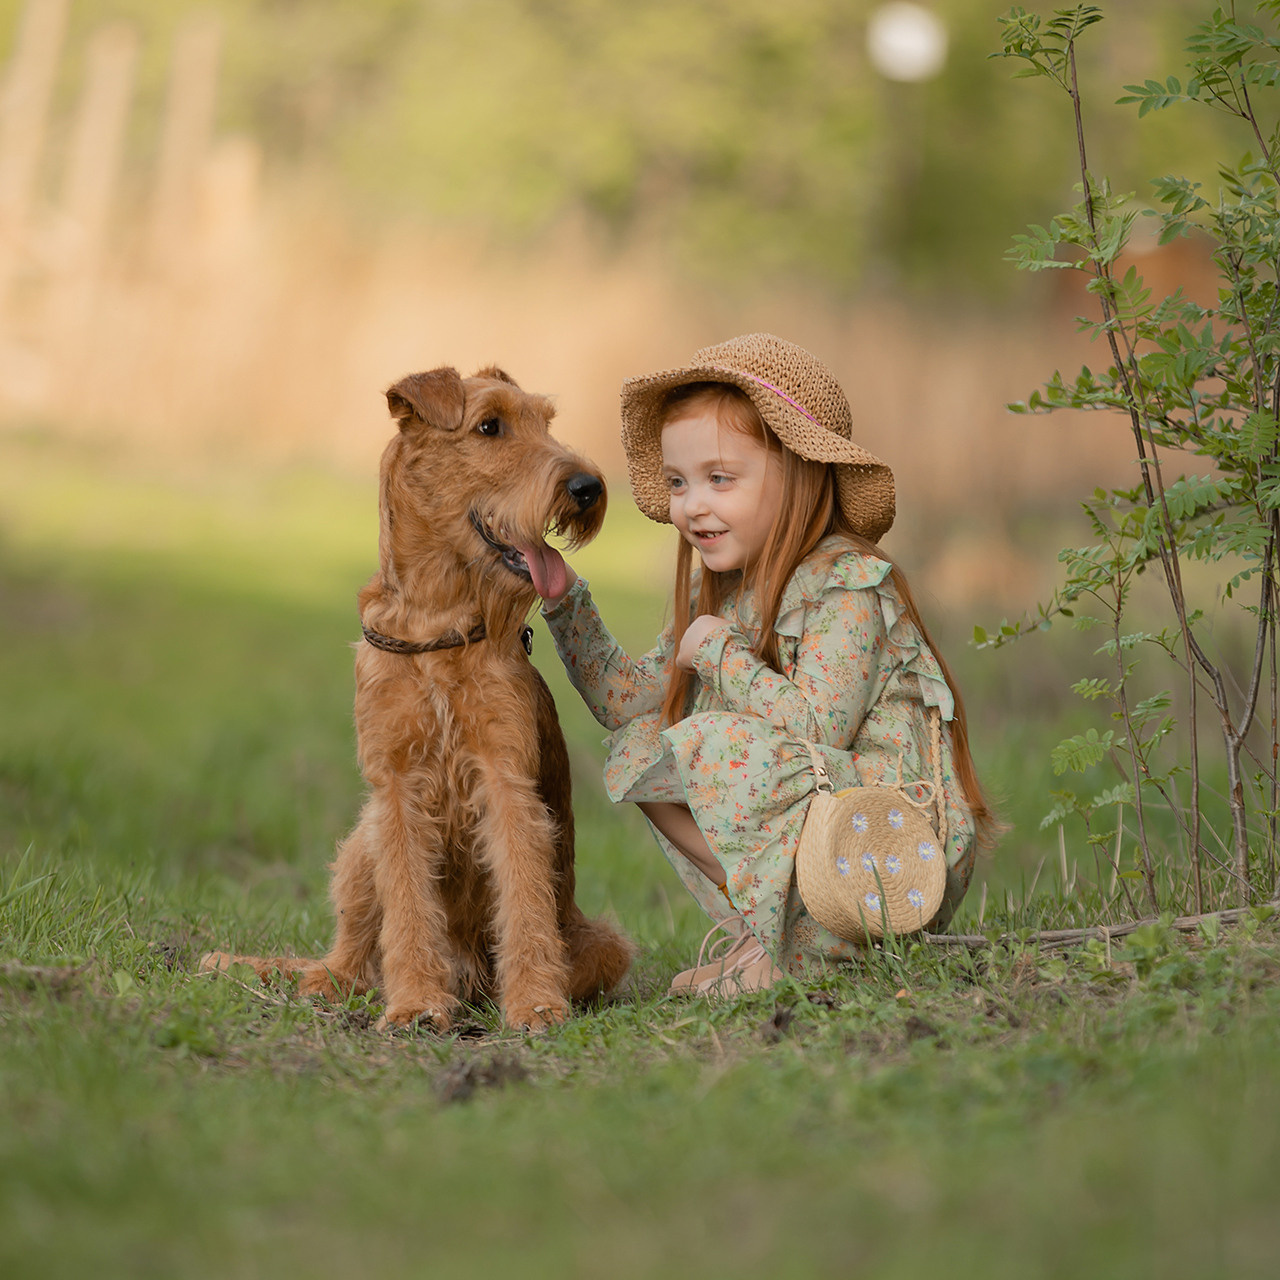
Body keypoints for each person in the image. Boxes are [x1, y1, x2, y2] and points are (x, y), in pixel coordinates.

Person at [526, 333, 996, 995]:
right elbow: (629, 702)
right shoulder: (721, 594)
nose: (692, 504)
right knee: (640, 749)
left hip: (887, 845)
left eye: (720, 478)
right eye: (678, 483)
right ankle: (776, 929)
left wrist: (722, 654)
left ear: (799, 472)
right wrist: (565, 599)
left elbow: (818, 728)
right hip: (822, 825)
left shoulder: (847, 588)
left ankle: (815, 942)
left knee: (717, 744)